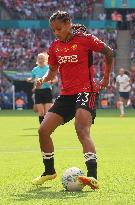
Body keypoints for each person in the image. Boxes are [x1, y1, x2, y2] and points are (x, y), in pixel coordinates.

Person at [32, 11, 113, 190]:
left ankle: (92, 176)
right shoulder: (55, 47)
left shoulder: (86, 39)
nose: (56, 33)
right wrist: (43, 79)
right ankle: (49, 171)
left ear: (68, 24)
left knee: (81, 129)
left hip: (87, 90)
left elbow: (108, 52)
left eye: (59, 29)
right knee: (43, 130)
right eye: (53, 30)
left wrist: (106, 78)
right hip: (67, 94)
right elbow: (52, 72)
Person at [27, 52, 58, 124]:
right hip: (38, 91)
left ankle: (47, 128)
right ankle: (42, 128)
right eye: (39, 58)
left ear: (45, 59)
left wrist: (51, 82)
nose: (40, 59)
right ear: (37, 59)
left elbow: (56, 79)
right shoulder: (35, 69)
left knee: (47, 112)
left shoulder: (49, 68)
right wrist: (29, 79)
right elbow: (32, 78)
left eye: (42, 58)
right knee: (41, 113)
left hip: (47, 91)